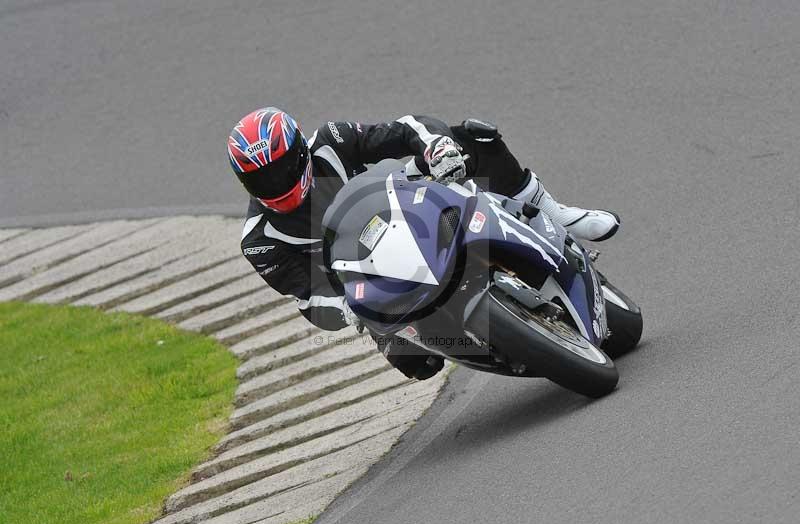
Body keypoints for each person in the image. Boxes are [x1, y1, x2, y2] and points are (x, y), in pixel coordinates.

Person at [230, 108, 619, 379]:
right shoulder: (260, 240)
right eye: (264, 179)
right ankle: (505, 341)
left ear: (299, 151)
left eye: (282, 169)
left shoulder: (331, 140)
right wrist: (344, 308)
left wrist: (437, 149)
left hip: (409, 215)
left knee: (471, 136)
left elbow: (404, 129)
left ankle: (551, 212)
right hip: (372, 284)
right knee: (417, 365)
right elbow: (307, 297)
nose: (277, 184)